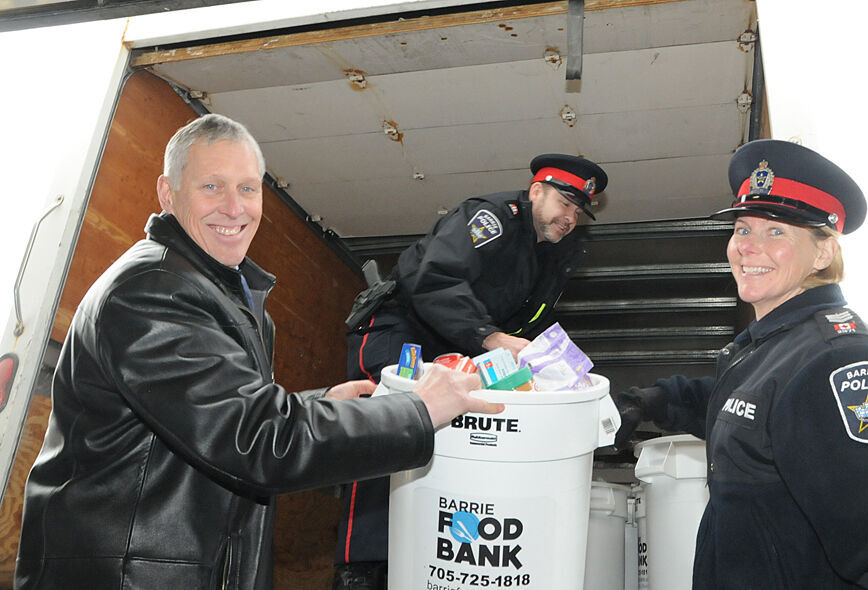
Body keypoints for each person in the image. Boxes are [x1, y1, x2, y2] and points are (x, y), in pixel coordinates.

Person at [14, 113, 502, 590]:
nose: (235, 207)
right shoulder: (153, 291)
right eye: (212, 186)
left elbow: (219, 417)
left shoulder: (224, 296)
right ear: (168, 193)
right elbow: (255, 440)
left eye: (248, 188)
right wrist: (419, 410)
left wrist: (317, 404)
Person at [613, 139, 868, 589]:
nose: (748, 247)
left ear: (822, 253)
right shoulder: (767, 350)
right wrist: (651, 401)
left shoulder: (841, 362)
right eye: (743, 228)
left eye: (776, 232)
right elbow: (745, 409)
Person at [335, 154, 608, 589]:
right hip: (400, 332)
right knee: (383, 434)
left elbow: (526, 322)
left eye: (579, 212)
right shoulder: (492, 218)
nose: (570, 218)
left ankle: (420, 562)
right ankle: (360, 571)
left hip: (459, 348)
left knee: (445, 451)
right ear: (536, 190)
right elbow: (435, 279)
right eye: (565, 203)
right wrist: (492, 338)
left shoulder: (552, 256)